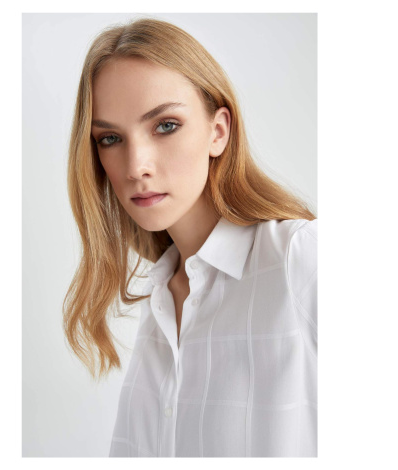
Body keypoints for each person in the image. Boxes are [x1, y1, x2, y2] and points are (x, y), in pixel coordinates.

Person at [63, 17, 317, 458]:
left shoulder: (299, 259)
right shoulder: (160, 302)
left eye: (165, 126)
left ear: (218, 132)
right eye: (110, 138)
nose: (136, 166)